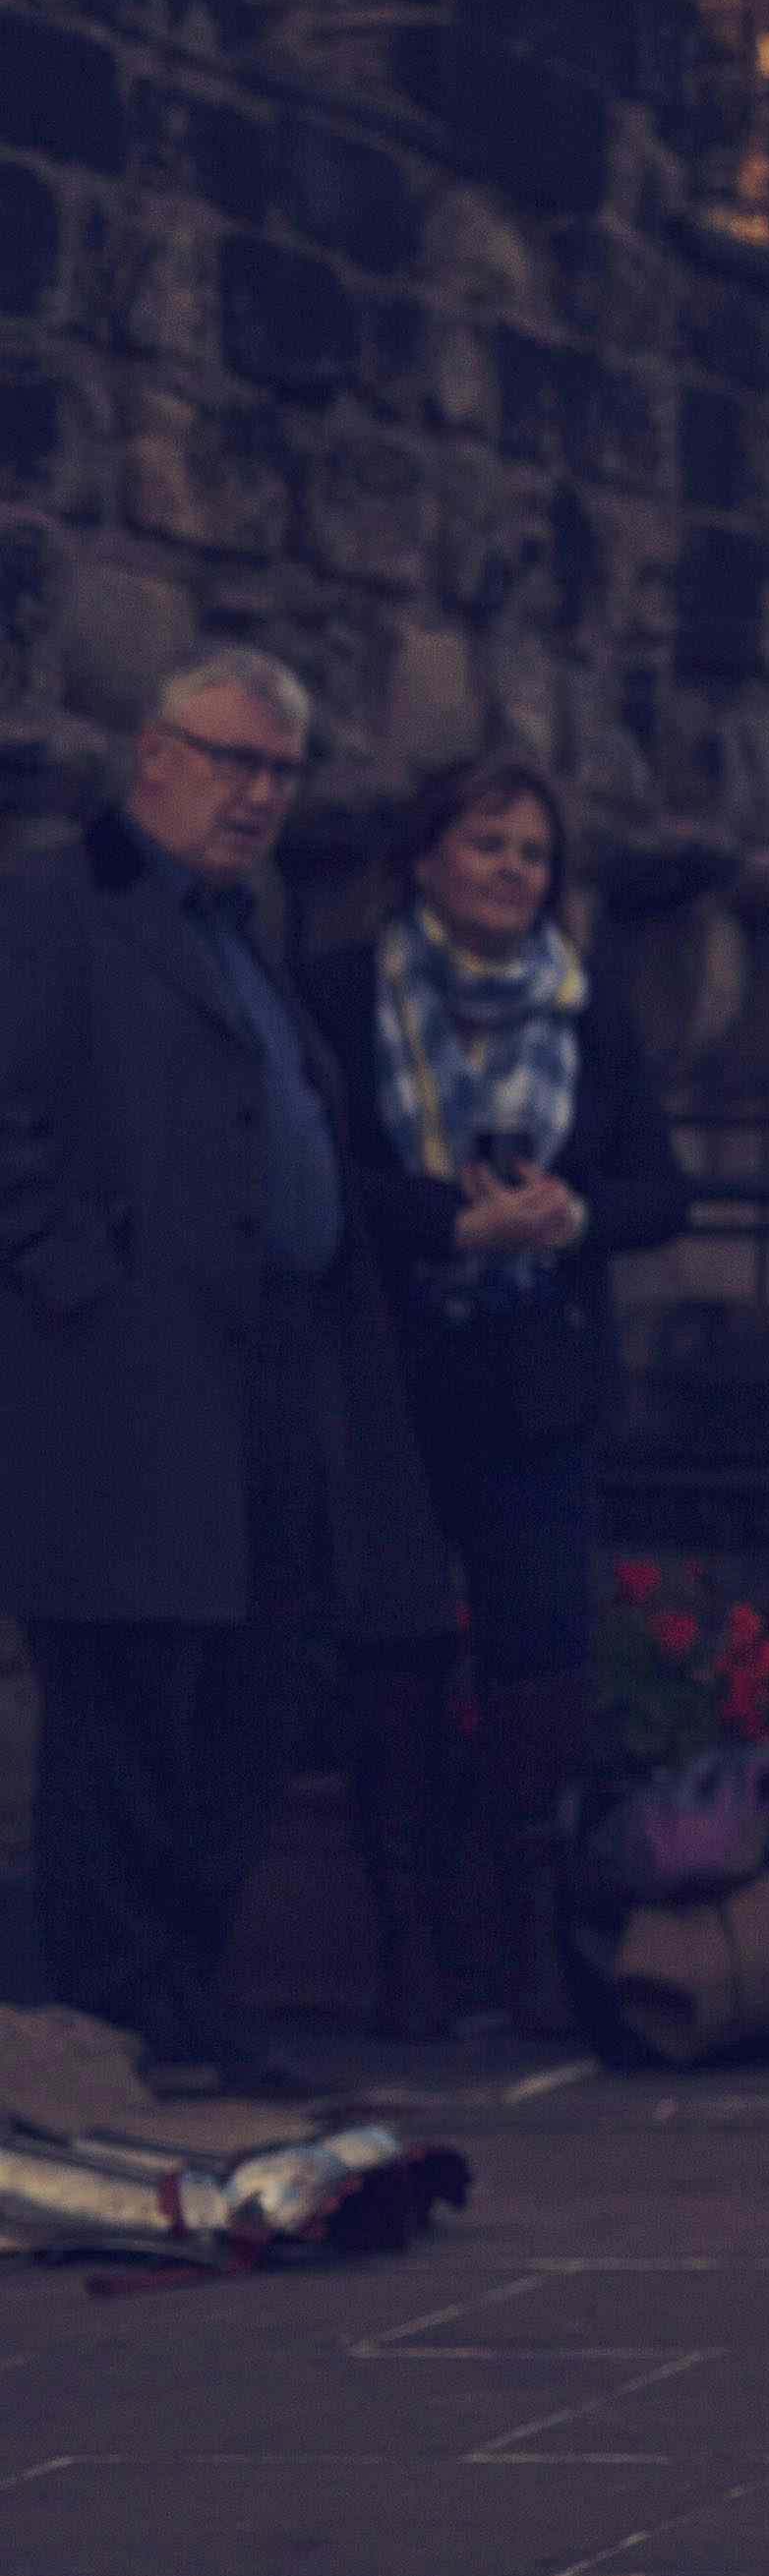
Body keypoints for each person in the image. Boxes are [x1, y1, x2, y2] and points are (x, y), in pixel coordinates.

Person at [0, 650, 362, 2095]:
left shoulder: (239, 925)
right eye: (232, 760)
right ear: (152, 753)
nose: (258, 793)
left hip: (261, 1363)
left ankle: (185, 2002)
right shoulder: (55, 909)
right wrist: (80, 1284)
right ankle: (111, 2014)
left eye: (281, 770)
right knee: (128, 1705)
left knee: (245, 1698)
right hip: (123, 1381)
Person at [302, 757, 690, 2038]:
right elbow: (326, 1179)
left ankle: (509, 1927)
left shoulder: (586, 1008)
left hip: (537, 1371)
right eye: (487, 846)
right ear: (425, 861)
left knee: (540, 1642)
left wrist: (570, 1216)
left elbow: (658, 1185)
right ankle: (407, 1941)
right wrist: (451, 1228)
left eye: (533, 852)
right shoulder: (343, 993)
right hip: (400, 1373)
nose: (513, 871)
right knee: (395, 1646)